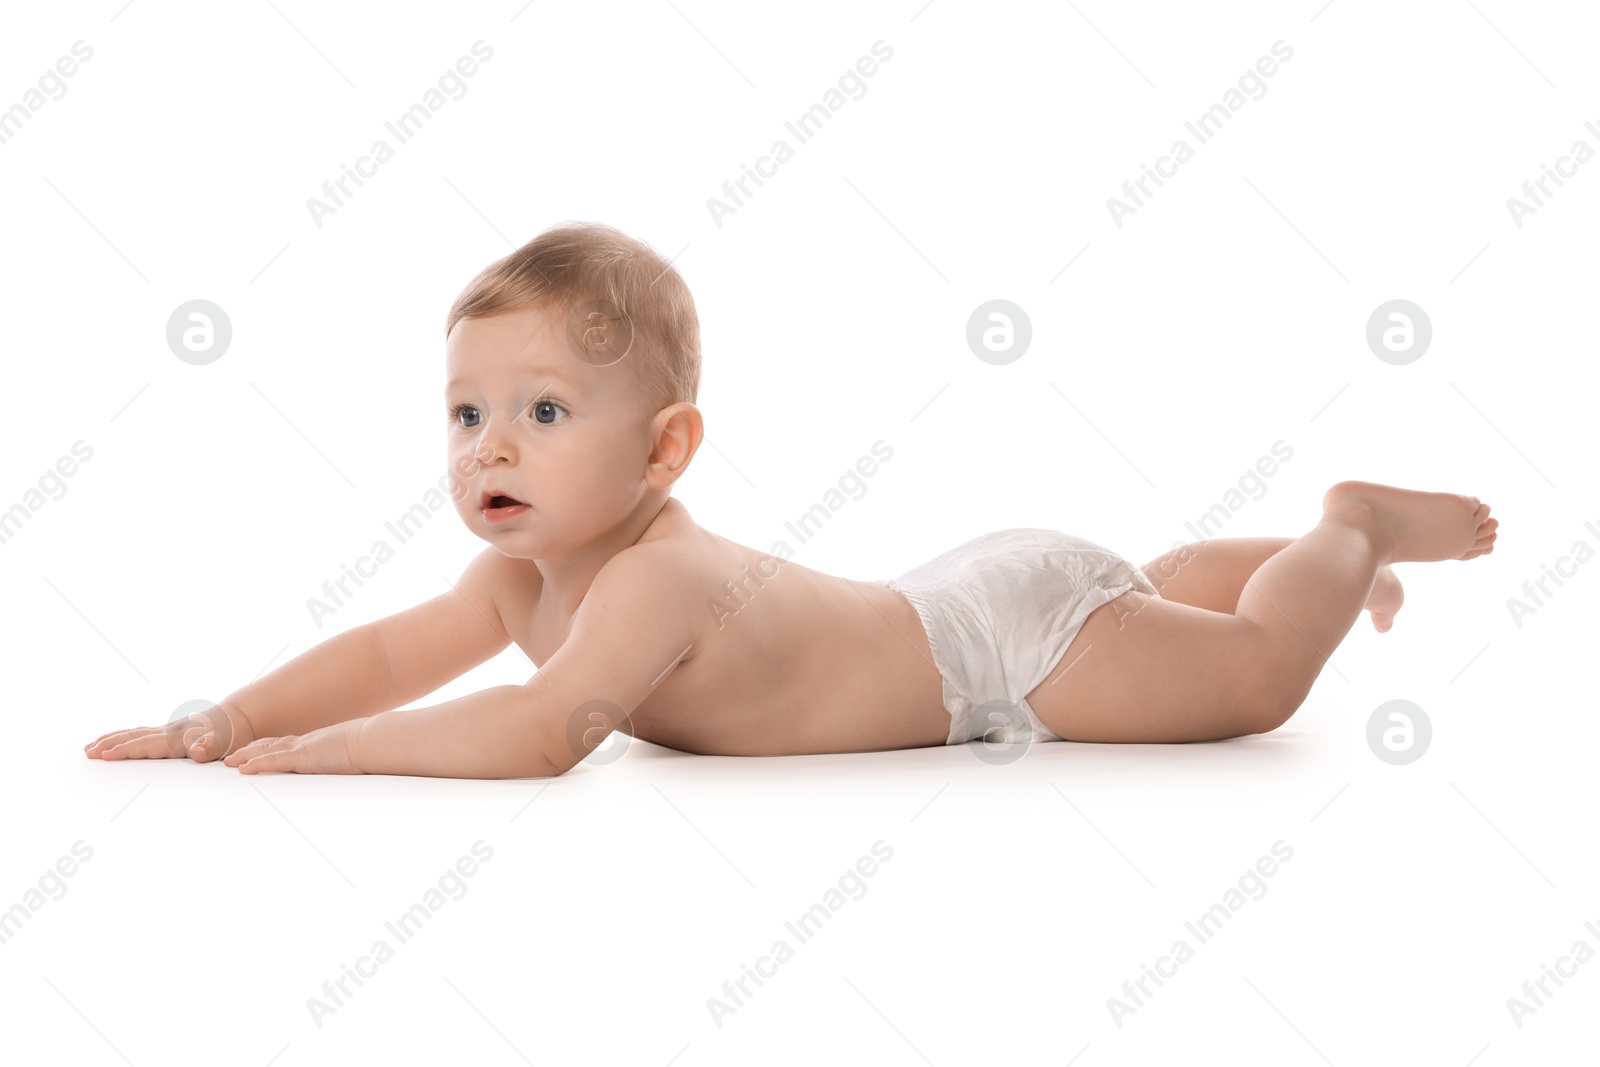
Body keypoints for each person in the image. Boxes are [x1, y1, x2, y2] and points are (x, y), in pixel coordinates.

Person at [83, 222, 1498, 778]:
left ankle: (1348, 528)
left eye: (543, 413)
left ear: (665, 452)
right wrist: (240, 714)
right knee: (1150, 590)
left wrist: (321, 764)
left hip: (1005, 651)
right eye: (466, 416)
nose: (488, 451)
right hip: (966, 589)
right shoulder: (519, 579)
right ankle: (1229, 565)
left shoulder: (657, 580)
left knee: (1249, 683)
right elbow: (394, 652)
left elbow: (540, 729)